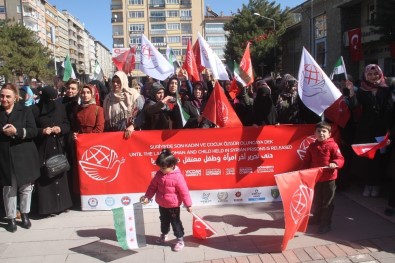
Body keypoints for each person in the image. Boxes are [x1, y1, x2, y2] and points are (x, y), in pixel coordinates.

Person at [0, 83, 40, 232]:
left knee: (26, 187)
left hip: (23, 155)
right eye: (2, 96)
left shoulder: (25, 110)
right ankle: (10, 218)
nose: (4, 99)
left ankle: (25, 215)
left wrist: (17, 132)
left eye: (8, 96)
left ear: (15, 97)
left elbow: (33, 131)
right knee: (9, 188)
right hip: (4, 156)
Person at [350, 64, 393, 197]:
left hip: (382, 130)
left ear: (380, 74)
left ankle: (376, 185)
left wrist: (389, 130)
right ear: (365, 76)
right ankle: (367, 184)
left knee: (380, 158)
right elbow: (355, 106)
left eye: (375, 74)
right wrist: (352, 92)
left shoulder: (386, 90)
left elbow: (390, 109)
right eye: (370, 74)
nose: (373, 77)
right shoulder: (362, 90)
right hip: (366, 129)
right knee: (368, 157)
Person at [31, 86, 73, 216]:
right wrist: (42, 131)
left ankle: (62, 204)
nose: (53, 101)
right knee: (45, 176)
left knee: (59, 173)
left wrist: (60, 129)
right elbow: (31, 129)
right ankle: (47, 208)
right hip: (43, 149)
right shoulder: (34, 110)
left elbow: (67, 125)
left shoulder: (60, 108)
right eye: (50, 99)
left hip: (57, 146)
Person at [141, 148, 192, 252]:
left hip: (173, 206)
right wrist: (147, 197)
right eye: (160, 167)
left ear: (172, 166)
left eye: (164, 168)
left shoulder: (178, 177)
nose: (161, 170)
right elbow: (152, 187)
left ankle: (180, 240)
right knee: (163, 220)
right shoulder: (158, 175)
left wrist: (188, 205)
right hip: (162, 204)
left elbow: (184, 192)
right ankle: (164, 235)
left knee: (175, 222)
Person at [302, 121, 344, 234]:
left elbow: (340, 159)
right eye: (319, 131)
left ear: (329, 134)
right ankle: (316, 218)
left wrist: (335, 163)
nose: (321, 133)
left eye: (324, 131)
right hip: (316, 178)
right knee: (317, 200)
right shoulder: (312, 146)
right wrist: (304, 173)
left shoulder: (333, 145)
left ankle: (326, 224)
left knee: (328, 202)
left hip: (329, 179)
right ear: (314, 134)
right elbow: (306, 161)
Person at [103, 71, 142, 138]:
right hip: (114, 135)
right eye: (113, 81)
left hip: (131, 133)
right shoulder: (108, 98)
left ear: (123, 81)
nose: (115, 84)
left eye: (118, 81)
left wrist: (133, 126)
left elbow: (141, 114)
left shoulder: (133, 95)